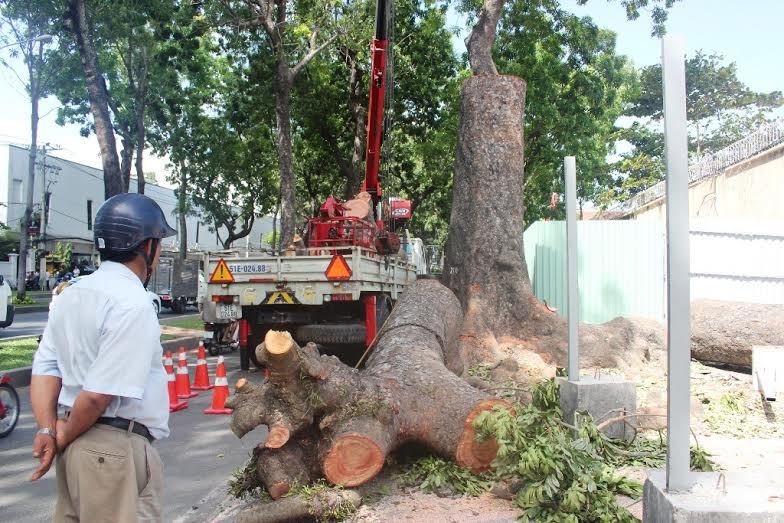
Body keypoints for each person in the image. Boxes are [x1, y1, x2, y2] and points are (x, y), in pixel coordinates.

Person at [30, 193, 177, 522]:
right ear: (144, 246)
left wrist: (47, 431)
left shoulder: (71, 295)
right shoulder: (133, 303)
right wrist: (62, 434)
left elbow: (46, 368)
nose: (160, 252)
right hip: (112, 451)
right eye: (158, 243)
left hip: (79, 449)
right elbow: (98, 394)